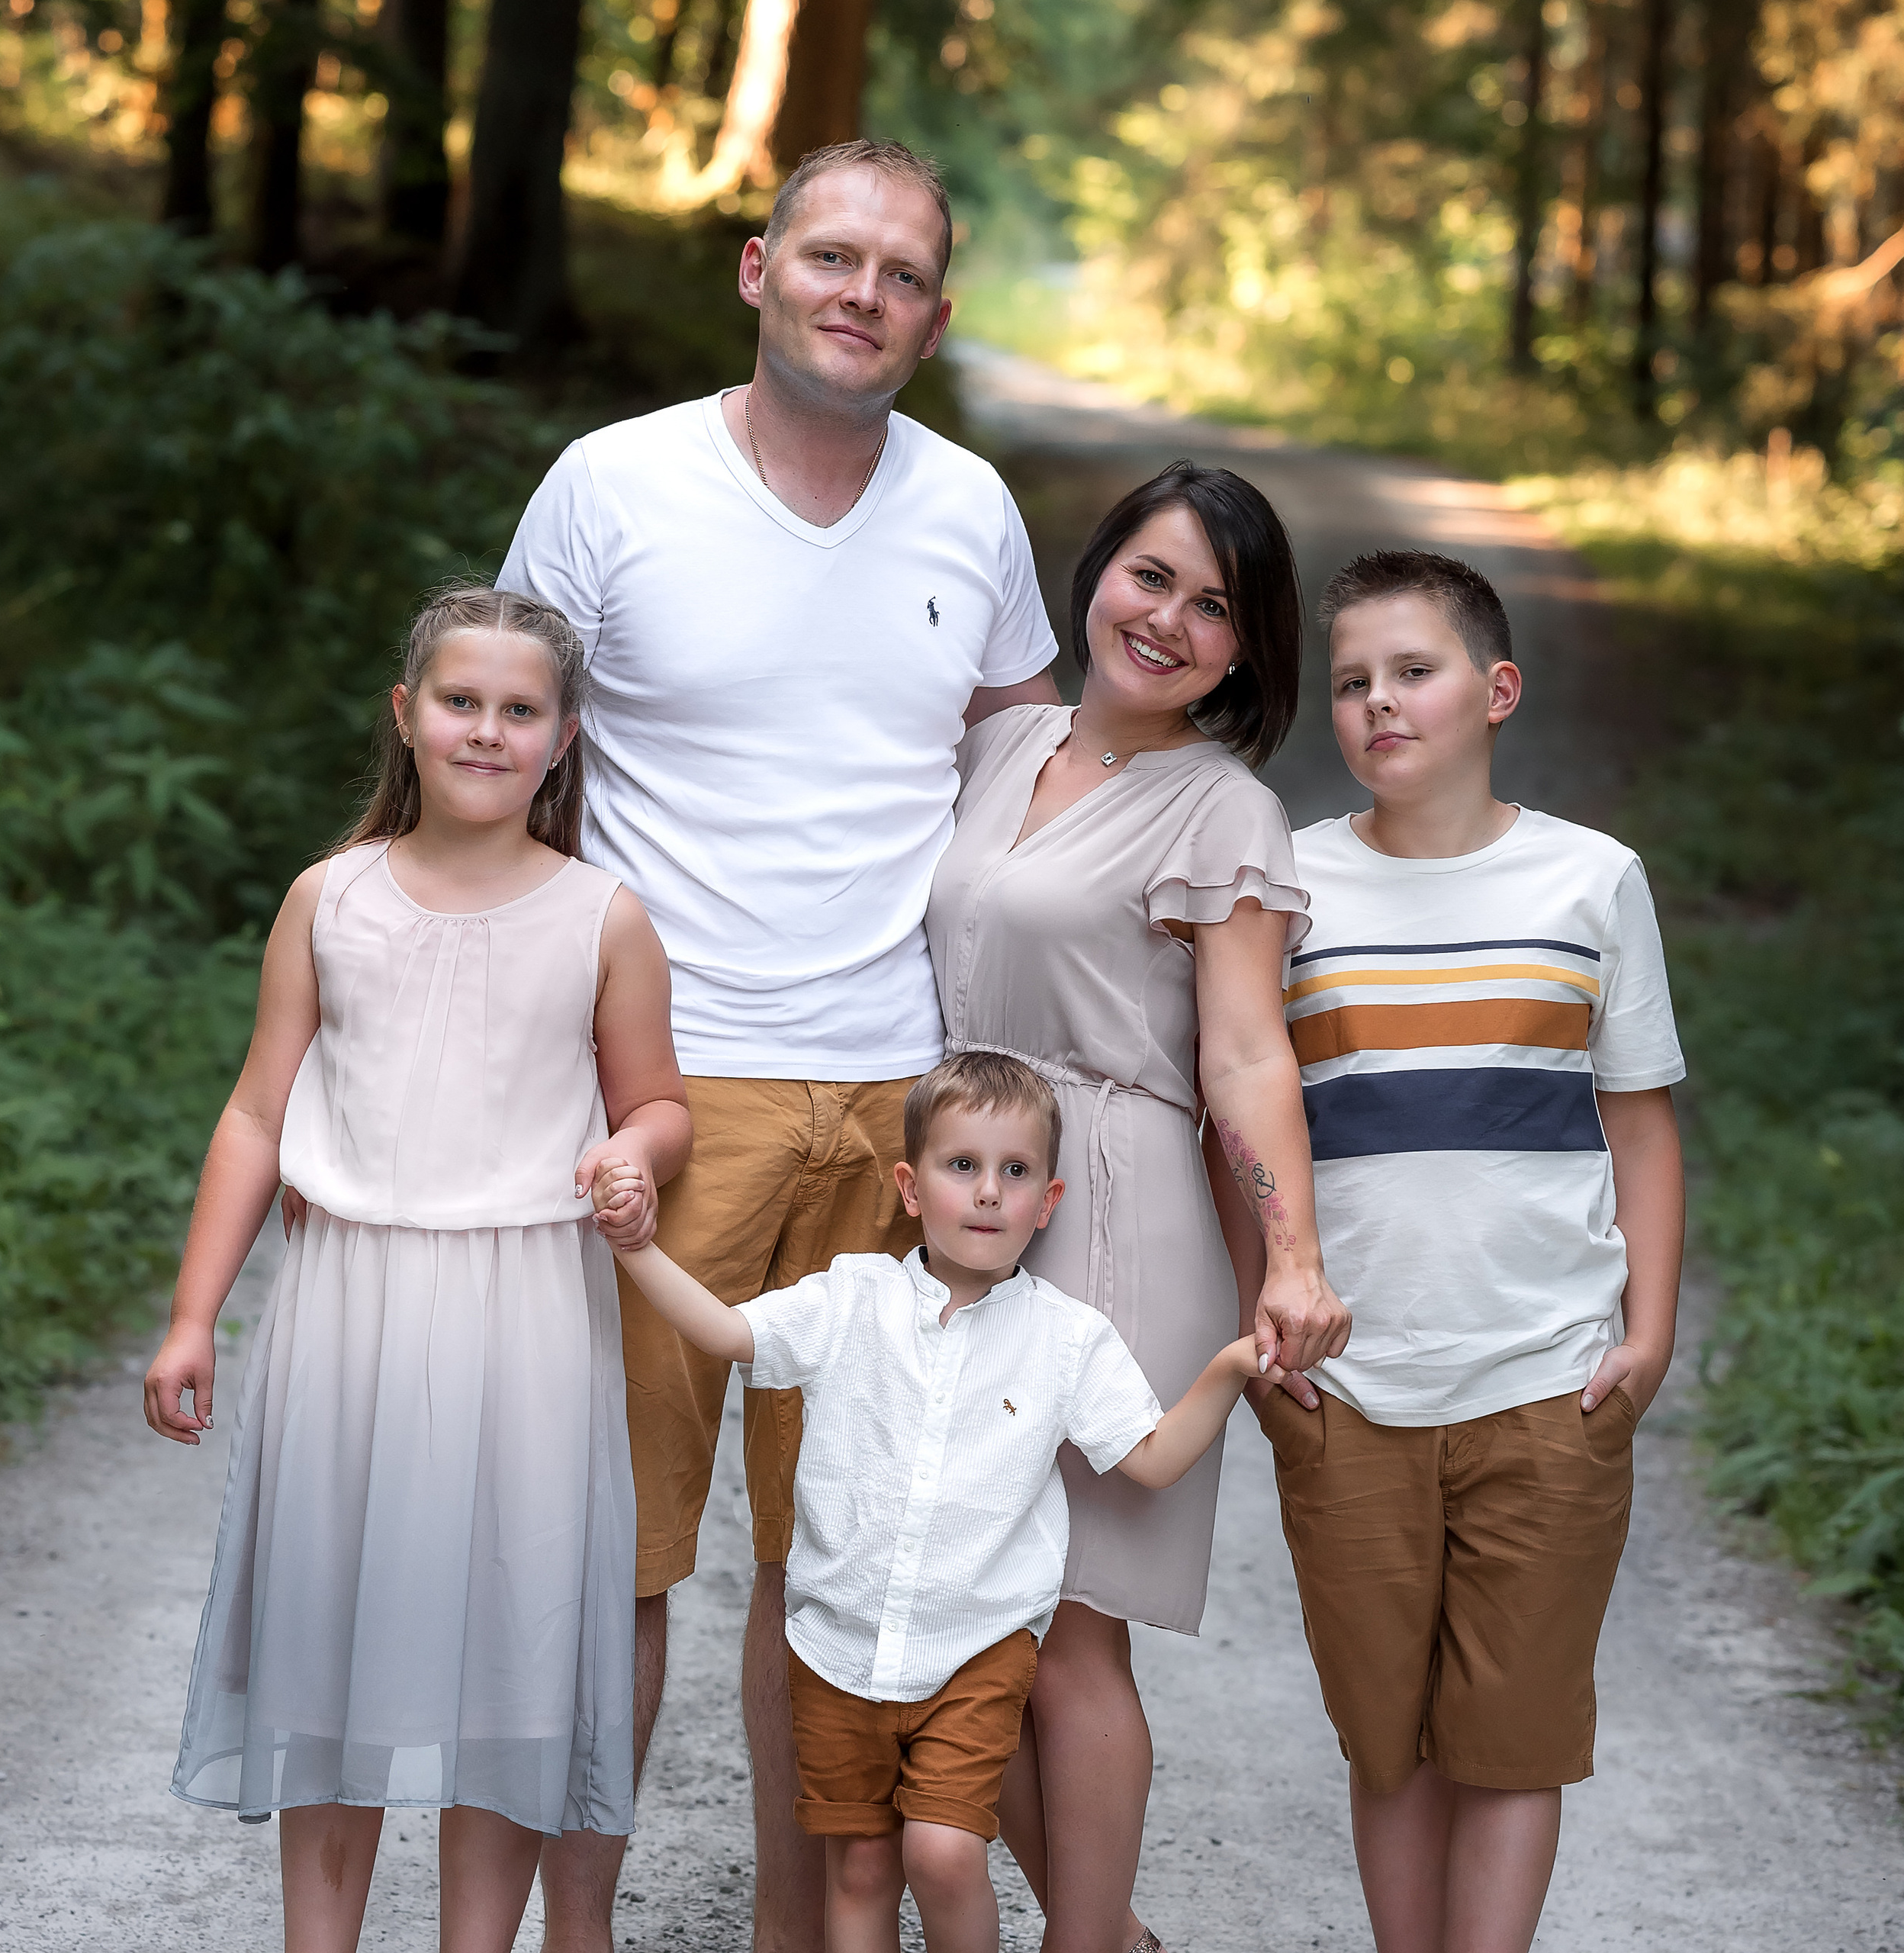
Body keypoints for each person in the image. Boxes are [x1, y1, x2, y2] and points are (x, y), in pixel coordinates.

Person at [494, 139, 1060, 1949]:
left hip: (894, 1096)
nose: (859, 292)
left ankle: (797, 1928)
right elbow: (508, 747)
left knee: (841, 1562)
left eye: (899, 274)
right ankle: (576, 1922)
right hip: (668, 1089)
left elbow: (1026, 767)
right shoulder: (611, 483)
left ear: (934, 315)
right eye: (830, 255)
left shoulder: (968, 509)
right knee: (616, 1553)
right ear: (756, 268)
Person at [143, 586, 692, 1953]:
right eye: (462, 703)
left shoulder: (603, 917)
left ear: (563, 738)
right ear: (407, 715)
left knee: (506, 1660)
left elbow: (663, 1102)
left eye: (521, 711)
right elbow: (259, 1115)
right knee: (330, 1654)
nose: (488, 732)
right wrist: (192, 1315)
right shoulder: (330, 901)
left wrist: (632, 1156)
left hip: (526, 1325)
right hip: (352, 1313)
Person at [925, 461, 1352, 1952]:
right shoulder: (1001, 743)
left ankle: (1080, 1935)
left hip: (1117, 1217)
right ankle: (1101, 1932)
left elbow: (1244, 1051)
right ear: (1095, 572)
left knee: (1069, 1629)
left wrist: (1286, 1257)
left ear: (1246, 651)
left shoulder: (1220, 807)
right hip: (972, 1211)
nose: (1166, 618)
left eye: (1212, 605)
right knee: (957, 1624)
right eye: (1148, 575)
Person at [590, 1051, 1276, 1953]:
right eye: (964, 1167)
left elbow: (1149, 1459)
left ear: (1049, 1200)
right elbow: (728, 1331)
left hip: (973, 1653)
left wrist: (1229, 1366)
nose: (989, 1192)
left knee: (946, 1854)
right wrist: (638, 1249)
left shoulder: (1067, 1338)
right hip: (837, 1646)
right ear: (911, 1188)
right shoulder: (851, 1298)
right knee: (863, 1869)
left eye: (1015, 1172)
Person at [1264, 549, 1686, 1953]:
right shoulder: (1292, 889)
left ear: (1496, 690)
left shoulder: (1592, 878)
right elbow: (1250, 1126)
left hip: (1548, 1380)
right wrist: (1270, 1310)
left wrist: (1650, 1329)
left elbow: (1638, 1118)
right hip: (1354, 1389)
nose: (1380, 703)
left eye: (1414, 671)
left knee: (1512, 1741)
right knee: (1389, 1740)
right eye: (1351, 683)